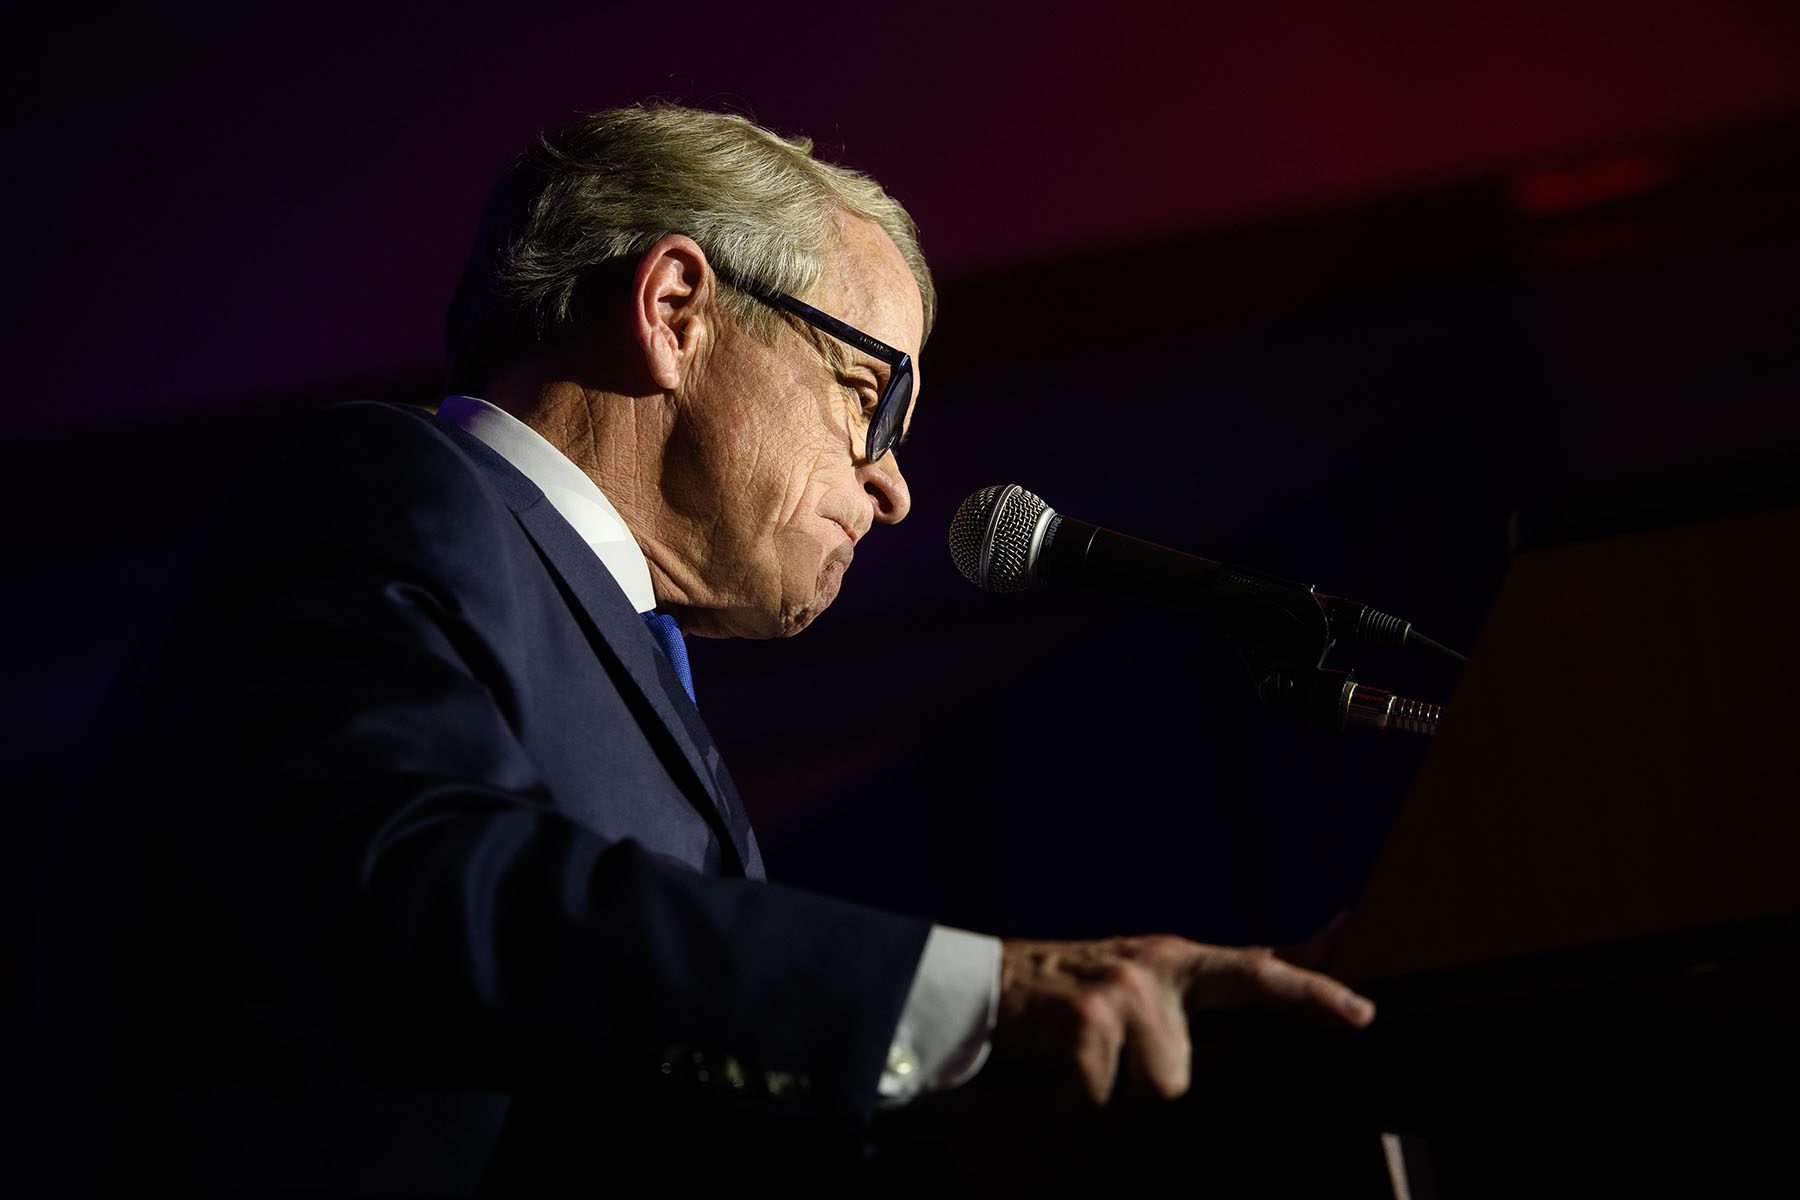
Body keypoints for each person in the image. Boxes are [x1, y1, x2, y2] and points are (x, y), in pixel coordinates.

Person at [41, 104, 1373, 1196]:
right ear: (676, 308)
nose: (896, 485)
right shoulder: (386, 485)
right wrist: (976, 992)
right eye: (874, 398)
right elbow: (416, 875)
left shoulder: (630, 659)